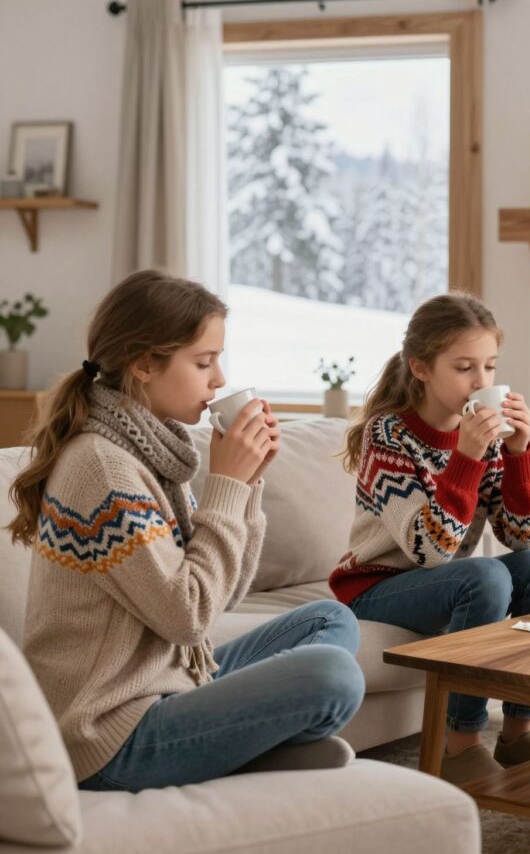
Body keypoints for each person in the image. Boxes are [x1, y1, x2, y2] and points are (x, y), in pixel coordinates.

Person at [15, 270, 364, 792]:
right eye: (203, 362)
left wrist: (248, 485)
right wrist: (225, 484)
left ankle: (238, 748)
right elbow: (187, 615)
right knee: (331, 678)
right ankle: (244, 750)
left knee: (326, 621)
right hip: (109, 732)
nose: (219, 380)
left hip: (168, 682)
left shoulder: (149, 454)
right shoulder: (103, 470)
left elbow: (221, 595)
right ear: (143, 365)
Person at [332, 292, 530, 785]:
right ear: (421, 368)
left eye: (489, 367)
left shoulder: (488, 436)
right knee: (484, 577)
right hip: (378, 588)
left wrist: (520, 452)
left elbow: (526, 539)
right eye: (464, 368)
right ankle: (460, 742)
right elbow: (429, 550)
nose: (482, 383)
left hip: (447, 582)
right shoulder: (389, 437)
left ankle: (519, 731)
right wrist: (467, 456)